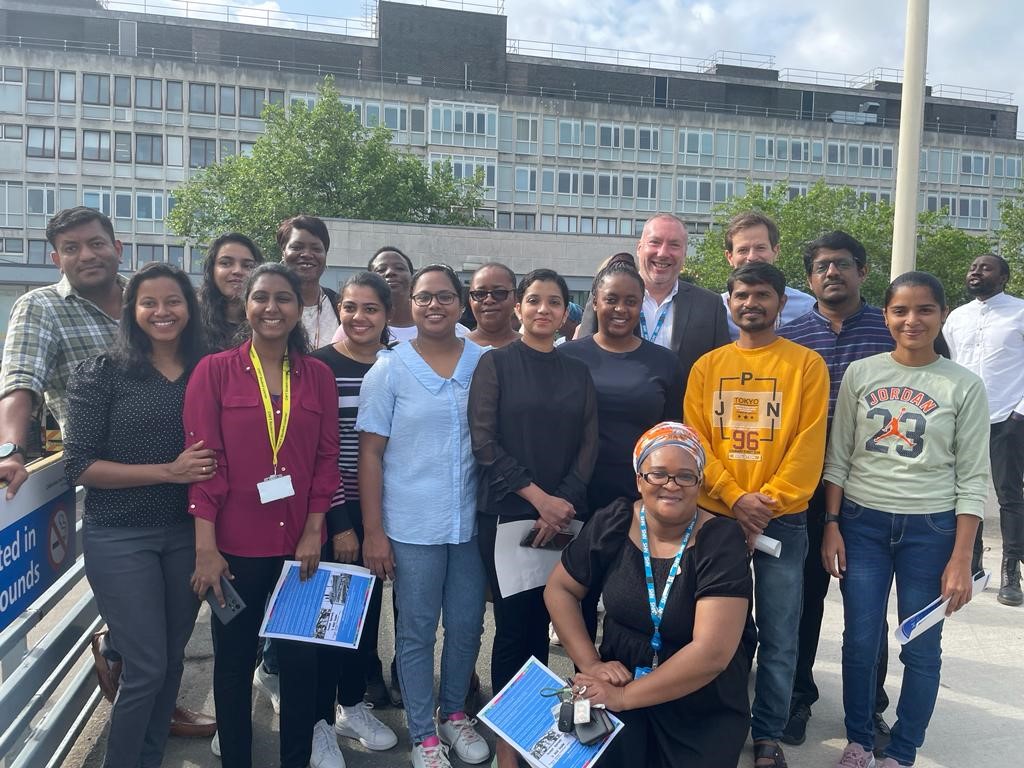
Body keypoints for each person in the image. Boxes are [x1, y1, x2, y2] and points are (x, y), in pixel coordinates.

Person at [0, 206, 215, 738]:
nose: (86, 255)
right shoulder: (42, 307)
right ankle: (127, 665)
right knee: (146, 649)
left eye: (95, 243)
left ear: (117, 247)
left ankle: (143, 688)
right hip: (111, 485)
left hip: (185, 505)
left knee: (163, 651)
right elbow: (20, 384)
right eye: (71, 248)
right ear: (56, 258)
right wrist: (9, 449)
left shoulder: (151, 301)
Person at [822, 272, 989, 768]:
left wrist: (962, 557)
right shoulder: (862, 373)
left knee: (920, 646)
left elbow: (973, 478)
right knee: (860, 638)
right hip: (862, 523)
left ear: (941, 316)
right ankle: (858, 740)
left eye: (924, 310)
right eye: (900, 310)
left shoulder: (964, 385)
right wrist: (831, 522)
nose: (911, 320)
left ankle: (902, 750)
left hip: (931, 530)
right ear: (886, 315)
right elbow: (840, 457)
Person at [185, 263, 344, 768]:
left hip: (300, 549)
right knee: (232, 664)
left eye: (283, 298)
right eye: (261, 298)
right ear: (246, 304)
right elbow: (204, 464)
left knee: (301, 664)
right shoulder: (214, 371)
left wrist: (315, 530)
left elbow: (325, 459)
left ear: (300, 308)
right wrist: (205, 549)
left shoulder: (317, 375)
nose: (271, 307)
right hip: (234, 546)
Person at [64, 263, 213, 768]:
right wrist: (169, 472)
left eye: (173, 300)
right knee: (146, 665)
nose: (162, 311)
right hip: (120, 536)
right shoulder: (102, 371)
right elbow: (80, 465)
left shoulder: (209, 368)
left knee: (170, 661)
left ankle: (149, 758)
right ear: (133, 311)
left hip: (189, 534)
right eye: (149, 302)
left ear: (190, 308)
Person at [684, 262, 829, 768]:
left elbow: (808, 446)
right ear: (729, 302)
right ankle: (713, 718)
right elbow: (695, 442)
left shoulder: (807, 365)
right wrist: (734, 499)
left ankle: (767, 732)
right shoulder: (707, 367)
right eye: (742, 294)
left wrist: (762, 504)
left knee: (780, 630)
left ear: (781, 302)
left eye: (762, 294)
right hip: (714, 516)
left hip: (782, 520)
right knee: (708, 626)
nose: (751, 303)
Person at [544, 422, 752, 768]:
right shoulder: (614, 520)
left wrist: (623, 697)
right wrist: (592, 664)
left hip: (699, 696)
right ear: (639, 478)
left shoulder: (722, 541)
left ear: (699, 483)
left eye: (685, 476)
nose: (671, 485)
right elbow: (560, 589)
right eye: (658, 474)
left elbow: (712, 653)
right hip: (621, 671)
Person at [357, 264, 490, 768]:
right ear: (408, 306)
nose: (434, 306)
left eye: (445, 297)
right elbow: (369, 454)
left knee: (467, 625)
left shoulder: (484, 362)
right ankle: (423, 735)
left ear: (462, 304)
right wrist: (374, 532)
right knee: (415, 630)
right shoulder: (388, 368)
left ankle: (454, 714)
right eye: (423, 298)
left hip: (470, 523)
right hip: (411, 525)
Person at [468, 268, 598, 768]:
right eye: (534, 300)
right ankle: (510, 746)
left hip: (568, 520)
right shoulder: (495, 365)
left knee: (568, 627)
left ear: (567, 312)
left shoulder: (577, 371)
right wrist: (538, 498)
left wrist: (561, 504)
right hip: (508, 516)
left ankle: (559, 738)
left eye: (555, 302)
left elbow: (589, 445)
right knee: (517, 632)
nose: (544, 309)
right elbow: (485, 443)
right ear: (519, 308)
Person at [777, 231, 895, 745]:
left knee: (867, 608)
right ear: (809, 279)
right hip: (804, 491)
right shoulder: (793, 337)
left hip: (873, 491)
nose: (831, 273)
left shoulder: (891, 329)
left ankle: (869, 709)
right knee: (800, 605)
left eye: (842, 264)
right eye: (821, 266)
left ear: (862, 271)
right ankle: (796, 698)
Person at [310, 272, 399, 751]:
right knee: (327, 620)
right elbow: (317, 454)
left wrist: (377, 525)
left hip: (379, 514)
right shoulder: (317, 366)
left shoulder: (398, 365)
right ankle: (319, 722)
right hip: (330, 514)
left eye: (370, 309)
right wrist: (342, 524)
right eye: (349, 307)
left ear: (387, 316)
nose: (358, 317)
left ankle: (351, 707)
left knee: (365, 618)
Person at [562, 261, 684, 512]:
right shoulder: (565, 357)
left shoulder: (665, 362)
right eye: (611, 299)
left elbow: (672, 436)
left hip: (641, 497)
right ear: (595, 302)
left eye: (631, 301)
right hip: (573, 496)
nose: (621, 308)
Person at [943, 253, 1024, 606]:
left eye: (985, 267)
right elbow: (946, 363)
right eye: (972, 266)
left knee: (1010, 496)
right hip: (963, 419)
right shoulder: (957, 317)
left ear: (1003, 277)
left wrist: (1020, 412)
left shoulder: (1019, 312)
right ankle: (972, 564)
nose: (976, 271)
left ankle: (1011, 571)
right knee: (964, 492)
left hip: (1008, 416)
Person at [577, 213, 729, 393]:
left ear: (684, 253)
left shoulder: (710, 305)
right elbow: (583, 357)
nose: (663, 253)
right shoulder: (606, 297)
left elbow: (721, 372)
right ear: (639, 248)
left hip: (683, 416)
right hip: (614, 411)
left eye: (674, 245)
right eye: (655, 242)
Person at [720, 212, 815, 340]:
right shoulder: (718, 309)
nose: (752, 257)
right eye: (743, 250)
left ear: (776, 251)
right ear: (730, 257)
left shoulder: (806, 306)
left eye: (760, 248)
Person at [278, 215, 340, 348]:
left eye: (316, 249)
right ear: (283, 252)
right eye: (297, 247)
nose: (307, 254)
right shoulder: (266, 305)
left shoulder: (340, 306)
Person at [198, 232, 265, 351]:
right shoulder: (192, 319)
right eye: (226, 263)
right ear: (211, 270)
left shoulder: (268, 318)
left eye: (248, 266)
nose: (237, 271)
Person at [465, 262, 520, 349]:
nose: (489, 300)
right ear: (470, 300)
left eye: (499, 293)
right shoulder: (453, 351)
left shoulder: (533, 348)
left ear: (515, 298)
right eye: (480, 294)